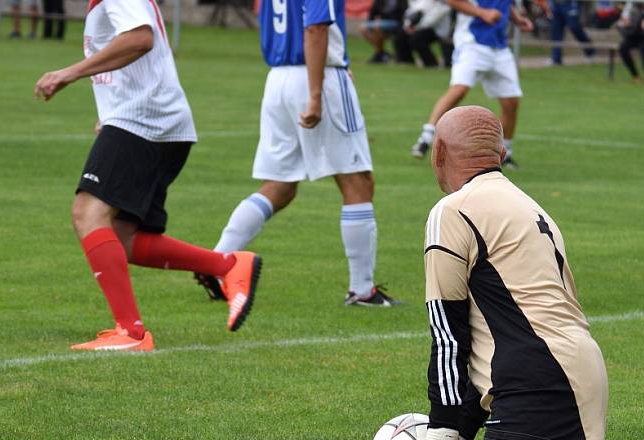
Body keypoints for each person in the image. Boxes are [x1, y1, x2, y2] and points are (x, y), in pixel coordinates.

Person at [394, 106, 644, 440]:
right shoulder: (530, 206)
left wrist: (444, 434)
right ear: (501, 154)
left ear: (437, 154)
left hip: (536, 377)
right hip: (578, 368)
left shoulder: (453, 210)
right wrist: (463, 431)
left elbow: (448, 332)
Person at [34, 0, 261, 351]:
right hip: (151, 122)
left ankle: (131, 332)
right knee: (122, 237)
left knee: (88, 214)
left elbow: (140, 39)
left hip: (143, 122)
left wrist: (70, 72)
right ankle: (227, 265)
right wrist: (108, 112)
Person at [196, 0, 400, 307]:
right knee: (357, 182)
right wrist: (317, 93)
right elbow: (315, 27)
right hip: (315, 77)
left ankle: (217, 261)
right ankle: (362, 290)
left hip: (279, 80)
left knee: (280, 186)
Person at [409, 0, 533, 170]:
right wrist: (483, 13)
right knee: (459, 90)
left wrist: (517, 19)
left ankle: (505, 153)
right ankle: (426, 138)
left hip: (499, 46)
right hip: (472, 42)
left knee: (511, 102)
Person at [535, 0, 595, 66]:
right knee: (556, 30)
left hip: (570, 3)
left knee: (574, 27)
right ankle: (556, 58)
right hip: (555, 4)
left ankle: (590, 50)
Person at [400, 0, 454, 68]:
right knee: (401, 34)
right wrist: (407, 25)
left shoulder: (444, 5)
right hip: (425, 29)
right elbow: (410, 12)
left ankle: (432, 63)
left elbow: (431, 20)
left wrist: (415, 28)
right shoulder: (425, 1)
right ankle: (407, 61)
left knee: (417, 39)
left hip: (440, 32)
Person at [617, 2, 644, 85]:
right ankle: (635, 76)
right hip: (634, 36)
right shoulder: (629, 8)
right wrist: (625, 25)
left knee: (643, 47)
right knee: (622, 48)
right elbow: (624, 26)